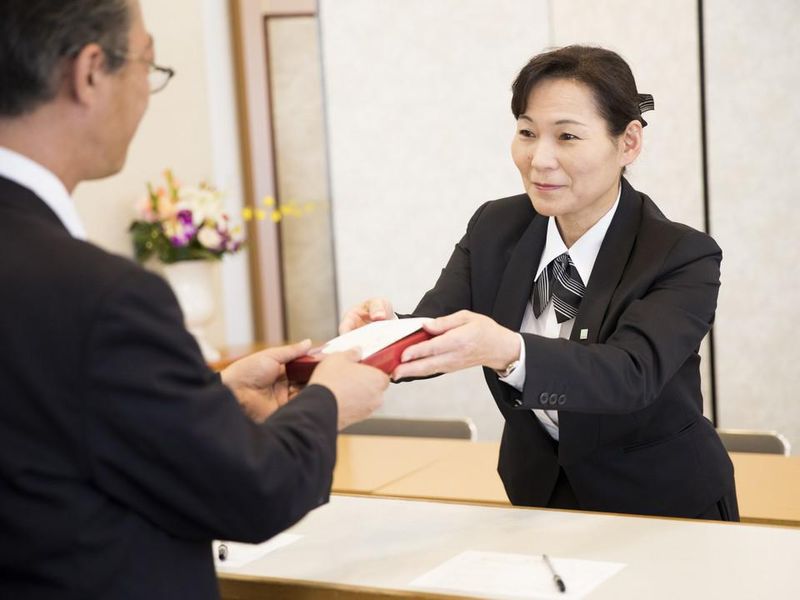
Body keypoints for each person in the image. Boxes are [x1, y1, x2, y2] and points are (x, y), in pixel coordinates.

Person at [0, 1, 389, 598]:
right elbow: (254, 493)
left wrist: (210, 402)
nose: (148, 94)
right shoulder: (102, 295)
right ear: (91, 71)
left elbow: (53, 427)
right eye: (148, 65)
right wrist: (330, 400)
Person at [341, 45, 738, 521]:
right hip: (539, 497)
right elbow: (438, 328)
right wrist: (383, 333)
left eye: (567, 136)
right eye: (527, 132)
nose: (539, 159)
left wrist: (508, 350)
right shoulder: (495, 226)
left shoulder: (680, 254)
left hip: (662, 503)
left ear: (628, 142)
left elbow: (630, 374)